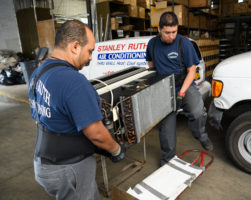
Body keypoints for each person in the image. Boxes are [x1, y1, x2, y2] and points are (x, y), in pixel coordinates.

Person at [28, 20, 125, 200]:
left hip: (43, 163)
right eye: (90, 51)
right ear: (75, 46)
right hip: (69, 168)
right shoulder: (73, 81)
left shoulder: (38, 73)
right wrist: (116, 149)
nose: (90, 58)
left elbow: (40, 115)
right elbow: (96, 133)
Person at [146, 12, 213, 166]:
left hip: (184, 84)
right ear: (159, 29)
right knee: (166, 128)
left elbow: (191, 71)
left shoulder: (185, 44)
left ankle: (201, 136)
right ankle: (167, 161)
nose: (171, 36)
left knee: (197, 112)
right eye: (167, 33)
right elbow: (151, 64)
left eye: (174, 32)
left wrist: (181, 93)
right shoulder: (152, 44)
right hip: (164, 88)